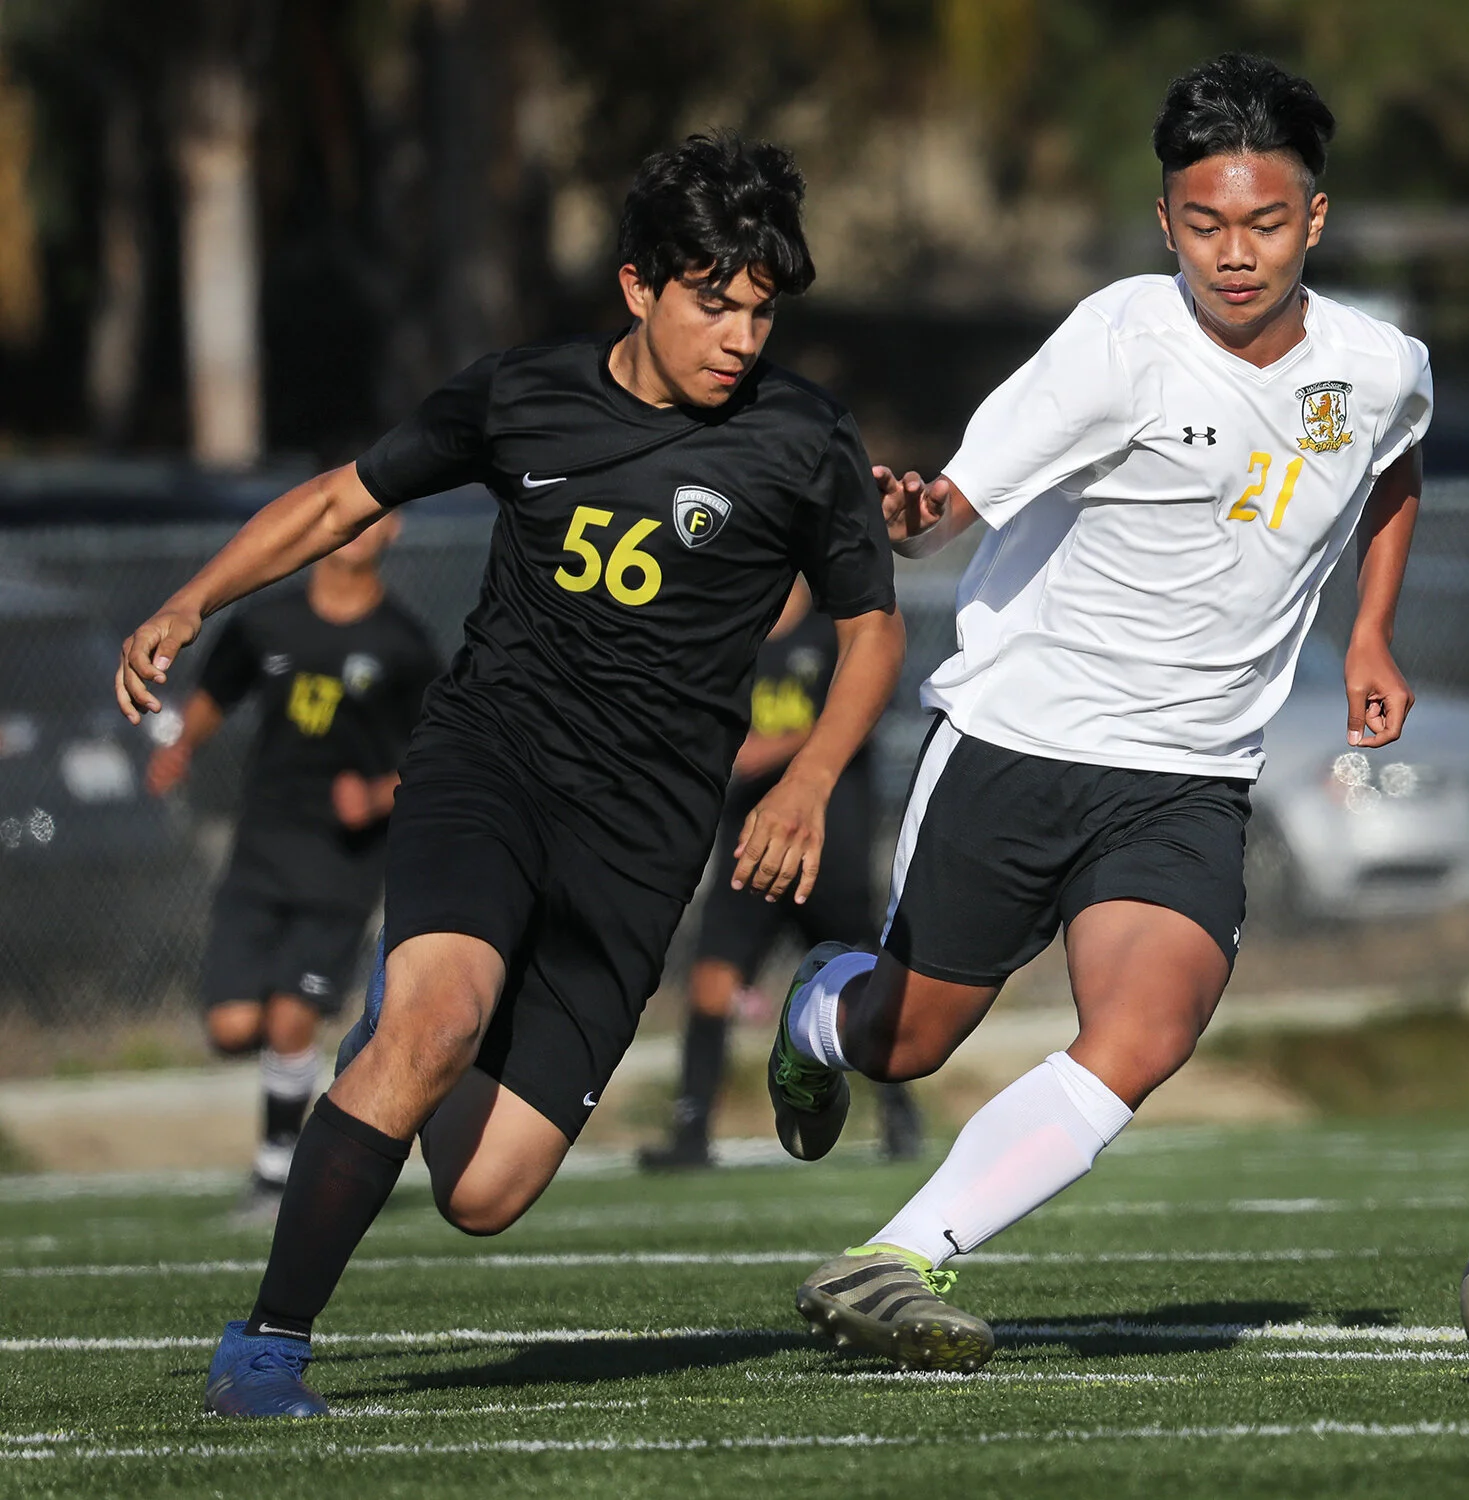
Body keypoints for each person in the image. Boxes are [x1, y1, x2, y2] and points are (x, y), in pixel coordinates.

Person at [114, 130, 903, 1418]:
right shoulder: (520, 394)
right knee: (437, 1022)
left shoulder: (803, 439)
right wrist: (192, 601)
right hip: (492, 764)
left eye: (762, 311)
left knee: (483, 1195)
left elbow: (873, 629)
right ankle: (266, 1347)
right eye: (715, 303)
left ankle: (414, 1030)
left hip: (643, 839)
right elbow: (337, 502)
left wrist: (809, 778)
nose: (742, 338)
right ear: (638, 285)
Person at [767, 54, 1432, 1372]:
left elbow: (1398, 462)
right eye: (1202, 224)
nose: (1232, 254)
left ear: (1314, 217)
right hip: (1021, 746)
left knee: (1147, 1031)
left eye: (1262, 221)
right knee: (908, 1041)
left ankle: (898, 1257)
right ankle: (817, 1016)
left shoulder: (1380, 365)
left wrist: (1369, 631)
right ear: (1165, 220)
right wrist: (912, 519)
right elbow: (954, 501)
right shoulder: (1117, 343)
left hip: (1186, 777)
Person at [145, 513, 437, 1220]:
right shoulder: (267, 623)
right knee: (232, 1026)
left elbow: (436, 756)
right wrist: (181, 747)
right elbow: (216, 693)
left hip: (342, 861)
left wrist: (373, 794)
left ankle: (276, 1177)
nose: (360, 529)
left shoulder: (403, 644)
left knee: (290, 1016)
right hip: (263, 847)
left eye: (378, 518)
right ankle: (302, 1098)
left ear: (392, 531)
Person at [638, 579, 921, 1172]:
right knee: (711, 981)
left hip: (827, 847)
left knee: (871, 976)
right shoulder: (728, 638)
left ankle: (899, 1115)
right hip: (750, 847)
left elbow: (863, 711)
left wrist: (772, 749)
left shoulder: (835, 634)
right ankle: (692, 1131)